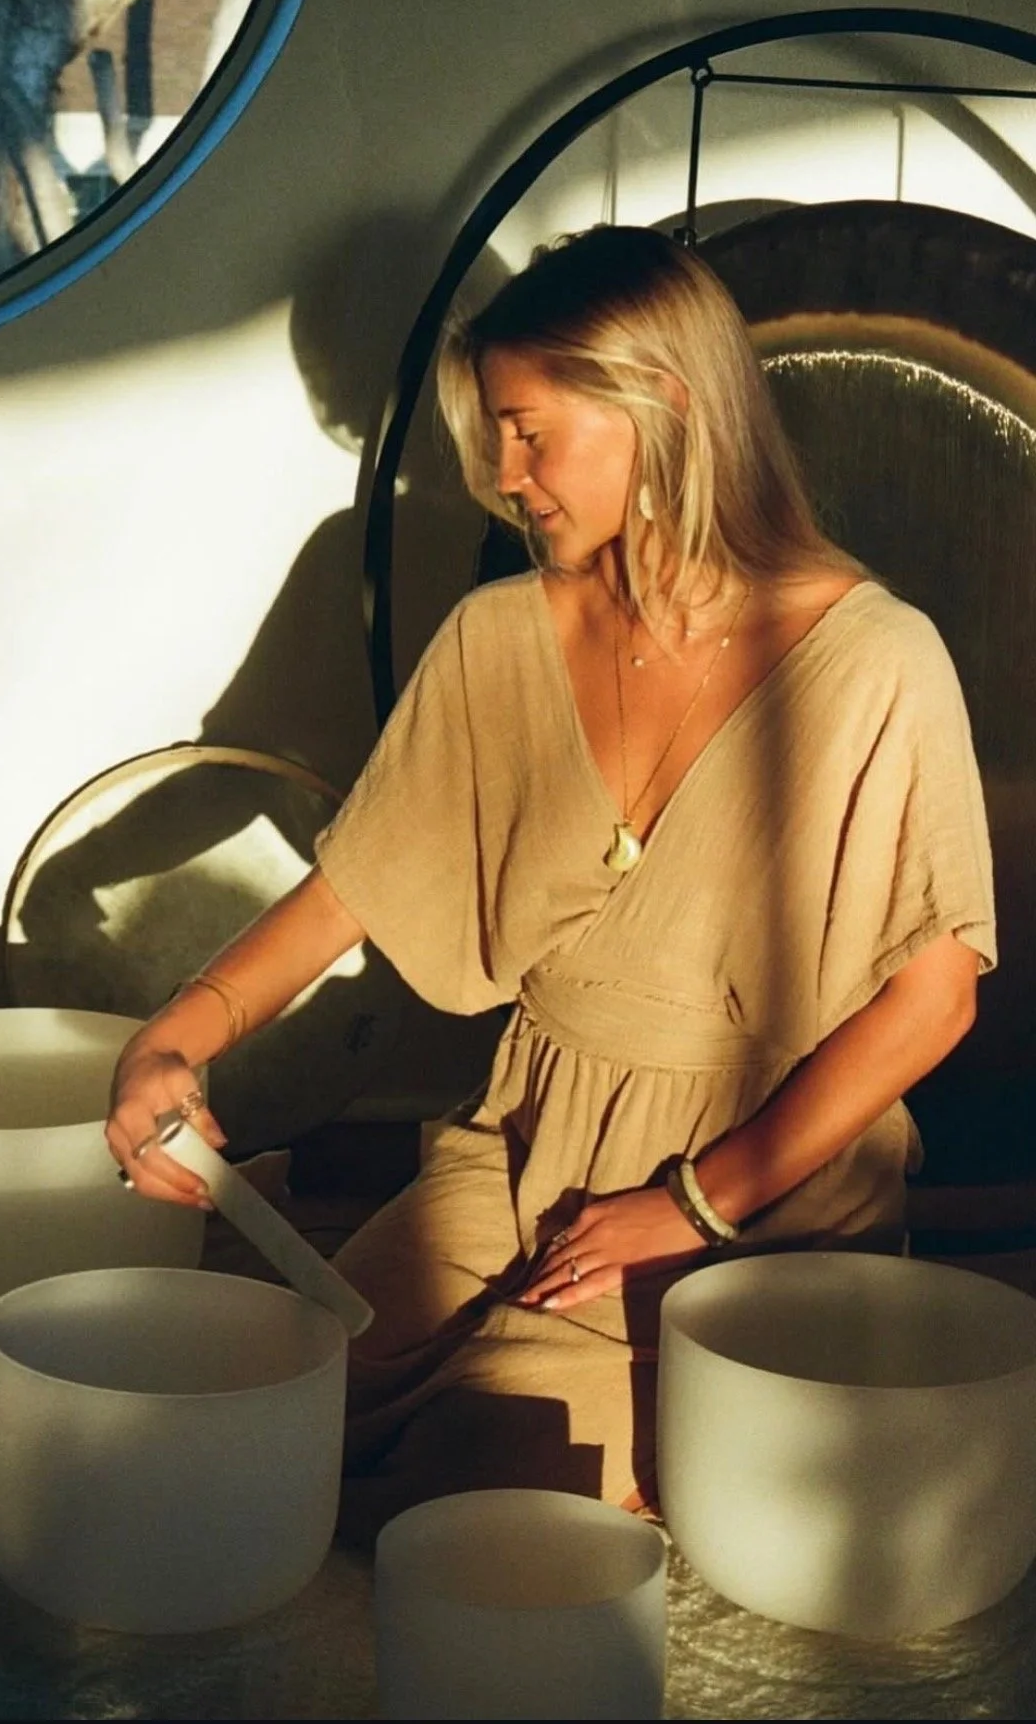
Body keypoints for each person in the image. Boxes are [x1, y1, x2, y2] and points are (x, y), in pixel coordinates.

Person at [106, 225, 995, 1527]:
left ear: (662, 406)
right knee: (287, 1382)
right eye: (495, 437)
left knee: (477, 1475)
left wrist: (692, 1206)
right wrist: (178, 1034)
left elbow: (934, 999)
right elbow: (354, 887)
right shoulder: (501, 639)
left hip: (768, 1180)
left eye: (530, 433)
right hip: (530, 1138)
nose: (505, 477)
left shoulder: (875, 661)